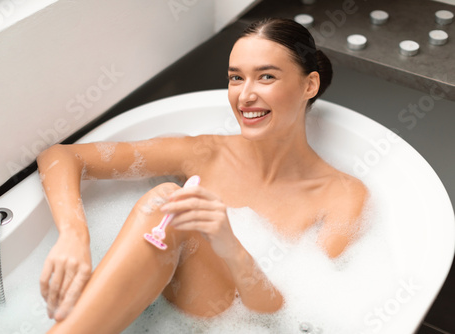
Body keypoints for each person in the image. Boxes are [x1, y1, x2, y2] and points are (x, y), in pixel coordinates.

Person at [37, 18, 368, 333]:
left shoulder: (342, 194)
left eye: (266, 77)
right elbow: (61, 157)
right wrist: (74, 235)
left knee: (169, 204)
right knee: (167, 200)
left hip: (242, 322)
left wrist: (229, 245)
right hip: (164, 312)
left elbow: (290, 314)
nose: (245, 95)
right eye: (236, 78)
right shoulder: (205, 152)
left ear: (309, 84)